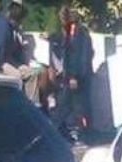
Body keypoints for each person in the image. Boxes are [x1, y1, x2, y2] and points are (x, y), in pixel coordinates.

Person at [52, 6, 94, 144]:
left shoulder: (81, 35)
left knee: (79, 108)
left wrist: (75, 76)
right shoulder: (70, 34)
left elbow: (82, 58)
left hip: (77, 78)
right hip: (70, 77)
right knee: (66, 106)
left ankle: (83, 135)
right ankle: (58, 131)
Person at [0, 0, 41, 104]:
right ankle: (17, 103)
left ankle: (31, 103)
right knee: (17, 76)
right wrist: (0, 67)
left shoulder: (12, 28)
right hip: (2, 62)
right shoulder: (4, 27)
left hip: (11, 60)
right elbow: (0, 47)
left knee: (32, 73)